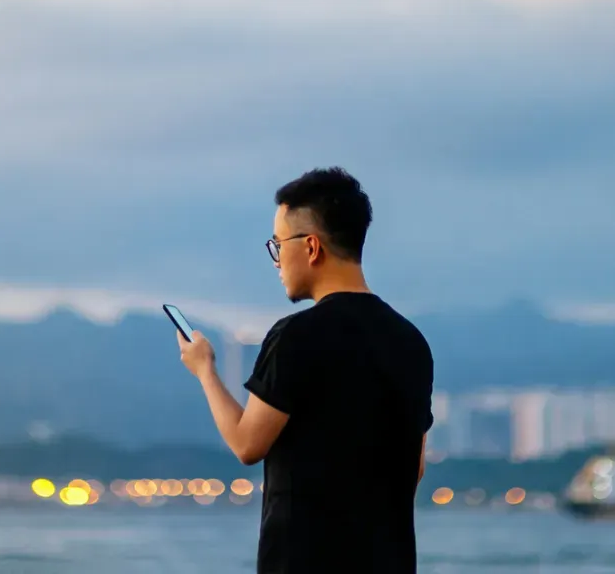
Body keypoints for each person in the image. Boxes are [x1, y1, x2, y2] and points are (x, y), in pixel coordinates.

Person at [177, 167, 435, 573]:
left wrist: (205, 370)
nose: (277, 259)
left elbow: (248, 444)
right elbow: (414, 468)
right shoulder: (412, 343)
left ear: (311, 247)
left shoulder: (297, 335)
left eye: (278, 244)